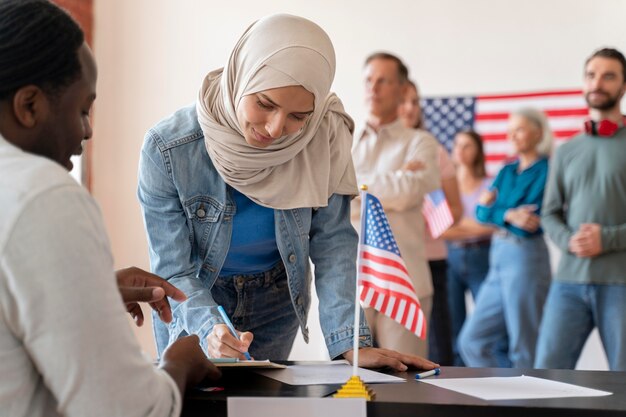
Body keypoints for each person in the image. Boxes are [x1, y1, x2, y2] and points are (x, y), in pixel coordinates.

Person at [138, 14, 437, 371]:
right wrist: (208, 326)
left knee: (262, 404)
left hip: (275, 299)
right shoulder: (168, 148)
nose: (276, 128)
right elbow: (173, 267)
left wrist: (350, 342)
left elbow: (333, 242)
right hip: (195, 298)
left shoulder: (323, 135)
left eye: (299, 116)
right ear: (241, 77)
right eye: (264, 104)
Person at [0, 1, 220, 416]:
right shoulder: (44, 194)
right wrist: (180, 362)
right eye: (83, 109)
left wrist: (87, 291)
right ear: (29, 106)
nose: (87, 130)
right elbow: (126, 408)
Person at [535, 48, 626, 371]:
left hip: (620, 282)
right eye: (591, 75)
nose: (597, 82)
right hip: (568, 283)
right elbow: (549, 213)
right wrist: (568, 240)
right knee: (546, 374)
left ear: (623, 86)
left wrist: (609, 239)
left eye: (608, 75)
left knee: (623, 382)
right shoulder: (567, 149)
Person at [351, 52, 441, 358]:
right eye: (368, 80)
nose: (373, 88)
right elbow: (326, 196)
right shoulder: (342, 140)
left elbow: (410, 192)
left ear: (403, 89)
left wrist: (354, 185)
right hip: (351, 283)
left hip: (405, 284)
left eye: (383, 81)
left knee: (404, 387)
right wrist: (395, 178)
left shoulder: (421, 142)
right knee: (345, 388)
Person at [458, 108, 552, 368]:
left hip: (525, 257)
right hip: (498, 257)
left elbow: (528, 223)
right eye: (510, 130)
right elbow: (480, 211)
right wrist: (509, 214)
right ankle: (501, 399)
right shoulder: (507, 170)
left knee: (524, 345)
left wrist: (496, 211)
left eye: (519, 129)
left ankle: (532, 405)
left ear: (538, 133)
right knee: (471, 340)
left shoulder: (547, 169)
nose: (512, 135)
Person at [398, 79, 462, 365]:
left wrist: (425, 190)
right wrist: (400, 182)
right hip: (388, 262)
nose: (410, 108)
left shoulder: (436, 152)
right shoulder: (371, 150)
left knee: (437, 346)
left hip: (430, 260)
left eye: (415, 101)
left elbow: (456, 209)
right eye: (403, 100)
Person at [442, 130, 495, 366]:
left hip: (482, 257)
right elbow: (439, 230)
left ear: (478, 151)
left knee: (487, 324)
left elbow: (494, 225)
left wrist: (457, 224)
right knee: (453, 327)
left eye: (468, 146)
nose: (461, 151)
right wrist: (477, 226)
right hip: (450, 257)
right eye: (458, 145)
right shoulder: (445, 187)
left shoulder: (490, 185)